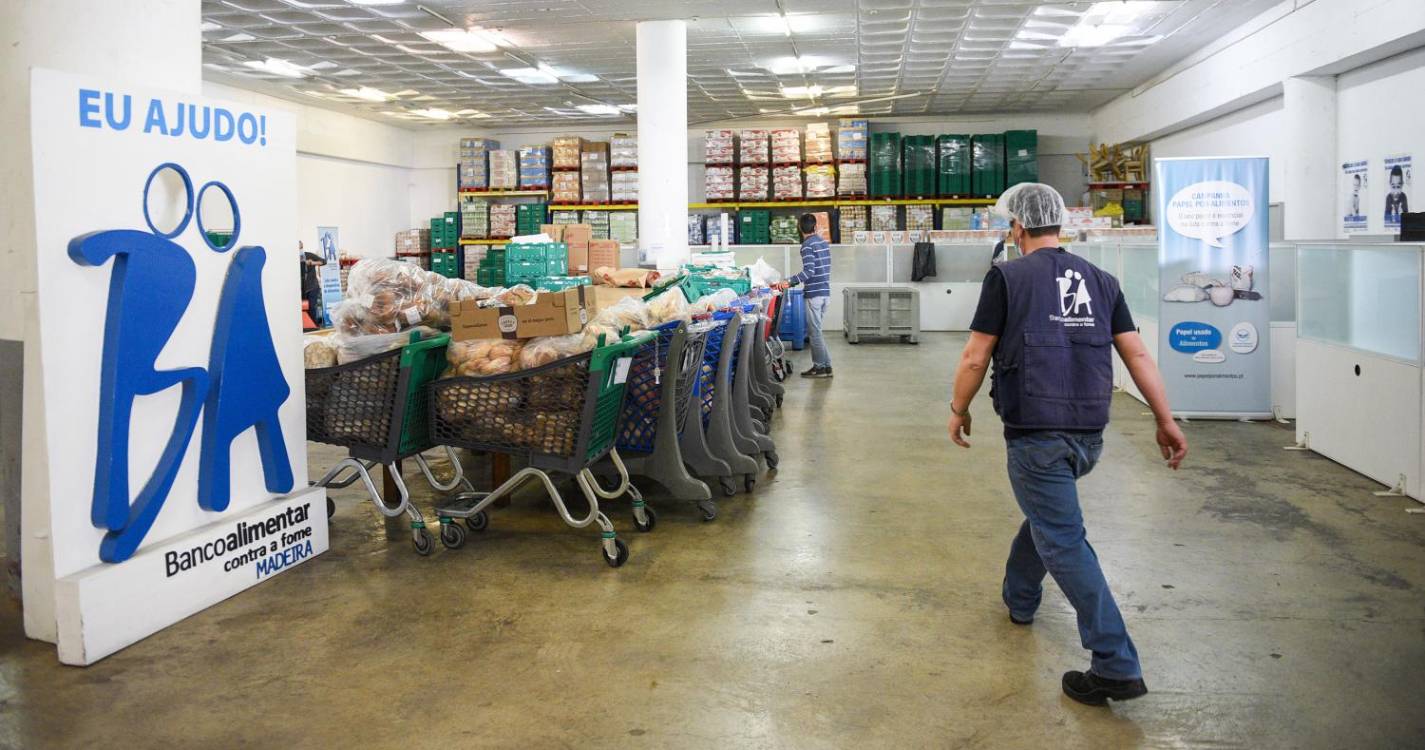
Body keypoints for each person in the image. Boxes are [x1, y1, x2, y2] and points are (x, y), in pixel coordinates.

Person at [946, 183, 1188, 707]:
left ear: (1017, 228)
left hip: (1036, 431)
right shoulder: (1102, 280)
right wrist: (1164, 419)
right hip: (1088, 434)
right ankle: (1020, 598)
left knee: (1064, 537)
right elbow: (1138, 356)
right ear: (1060, 225)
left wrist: (958, 410)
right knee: (1048, 517)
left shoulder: (1006, 277)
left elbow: (974, 357)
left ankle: (1115, 664)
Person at [776, 213, 832, 378]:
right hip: (825, 293)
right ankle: (826, 366)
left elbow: (809, 271)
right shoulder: (823, 243)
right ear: (815, 227)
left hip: (814, 295)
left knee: (815, 333)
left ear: (800, 228)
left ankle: (819, 367)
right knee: (817, 331)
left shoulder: (807, 245)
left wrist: (790, 281)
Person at [299, 240, 326, 324]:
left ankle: (314, 326)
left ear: (302, 247)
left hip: (312, 287)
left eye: (300, 247)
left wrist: (312, 262)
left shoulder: (308, 255)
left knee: (311, 307)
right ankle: (306, 326)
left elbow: (324, 261)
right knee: (303, 308)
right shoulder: (292, 258)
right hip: (301, 288)